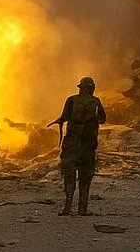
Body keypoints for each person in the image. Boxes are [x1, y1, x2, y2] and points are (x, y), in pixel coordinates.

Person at [49, 76, 107, 216]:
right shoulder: (96, 102)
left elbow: (64, 117)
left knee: (69, 175)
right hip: (88, 144)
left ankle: (67, 207)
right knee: (85, 177)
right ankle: (82, 209)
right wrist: (91, 120)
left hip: (72, 144)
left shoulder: (72, 100)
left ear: (80, 88)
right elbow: (102, 119)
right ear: (91, 88)